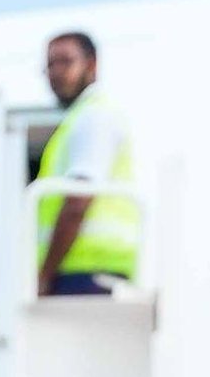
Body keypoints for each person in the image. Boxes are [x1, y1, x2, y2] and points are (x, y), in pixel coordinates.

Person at [37, 30, 139, 298]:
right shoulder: (81, 117)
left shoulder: (93, 116)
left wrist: (44, 274)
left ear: (92, 64)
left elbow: (78, 202)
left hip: (88, 276)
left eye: (66, 61)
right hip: (85, 272)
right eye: (50, 64)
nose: (56, 72)